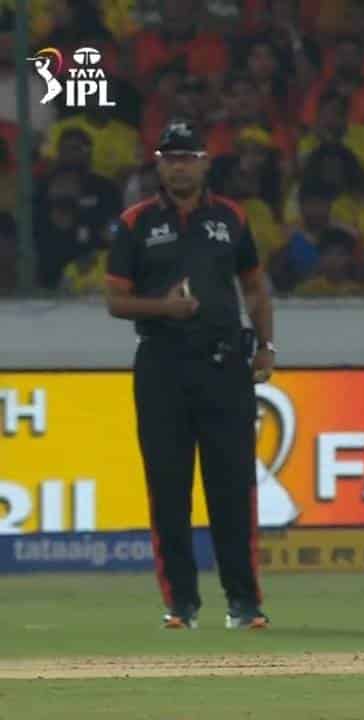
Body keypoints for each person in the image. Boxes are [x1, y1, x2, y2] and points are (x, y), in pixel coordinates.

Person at [104, 120, 273, 631]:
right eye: (171, 158)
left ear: (204, 163)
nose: (180, 167)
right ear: (159, 165)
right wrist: (165, 309)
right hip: (162, 367)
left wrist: (266, 347)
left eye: (188, 157)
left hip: (225, 367)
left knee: (233, 489)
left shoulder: (231, 217)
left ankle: (244, 603)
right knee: (169, 489)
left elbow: (255, 288)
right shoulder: (135, 222)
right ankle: (181, 604)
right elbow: (115, 301)